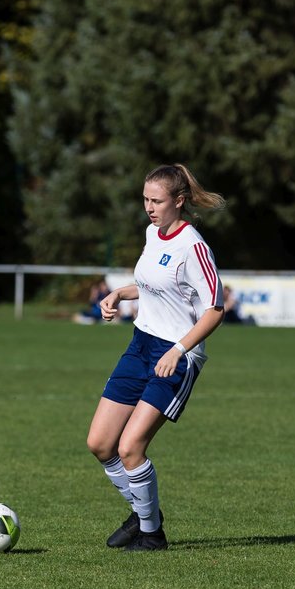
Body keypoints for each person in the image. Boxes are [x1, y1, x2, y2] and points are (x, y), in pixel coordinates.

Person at [85, 164, 226, 551]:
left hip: (177, 356)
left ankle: (151, 533)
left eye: (157, 201)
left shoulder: (194, 246)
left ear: (178, 202)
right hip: (140, 345)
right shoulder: (153, 233)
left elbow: (215, 308)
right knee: (100, 443)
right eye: (145, 199)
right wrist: (117, 294)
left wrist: (179, 349)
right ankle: (143, 511)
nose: (149, 207)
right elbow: (151, 286)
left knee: (131, 447)